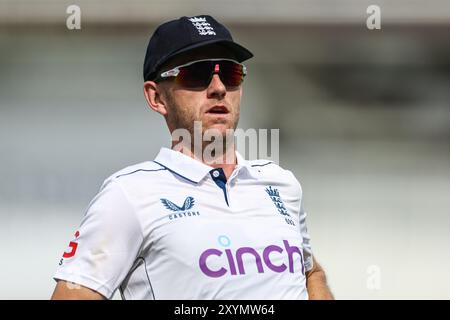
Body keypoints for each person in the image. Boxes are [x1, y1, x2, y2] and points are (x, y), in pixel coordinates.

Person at [51, 15, 334, 300]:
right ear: (157, 97)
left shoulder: (281, 183)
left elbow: (311, 273)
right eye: (196, 74)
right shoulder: (128, 194)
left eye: (230, 73)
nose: (219, 87)